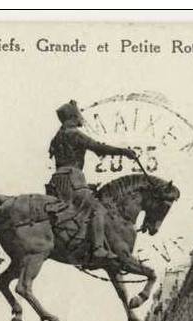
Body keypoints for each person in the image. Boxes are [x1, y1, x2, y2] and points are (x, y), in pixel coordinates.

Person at [46, 99, 138, 263]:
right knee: (97, 208)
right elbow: (98, 148)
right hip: (73, 178)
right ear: (73, 117)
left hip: (57, 181)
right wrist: (124, 152)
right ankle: (97, 248)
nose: (82, 117)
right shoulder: (74, 134)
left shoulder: (57, 137)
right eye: (79, 114)